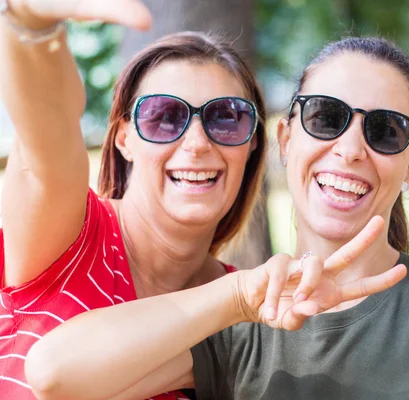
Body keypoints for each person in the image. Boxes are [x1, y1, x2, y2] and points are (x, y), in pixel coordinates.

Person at [26, 36, 409, 400]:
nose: (351, 149)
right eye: (326, 117)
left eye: (385, 130)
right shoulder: (236, 321)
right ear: (283, 139)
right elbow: (54, 373)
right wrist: (240, 299)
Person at [0, 0, 269, 399]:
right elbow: (48, 141)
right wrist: (32, 29)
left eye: (226, 118)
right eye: (164, 116)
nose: (196, 143)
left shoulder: (252, 312)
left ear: (251, 144)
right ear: (124, 138)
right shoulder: (72, 237)